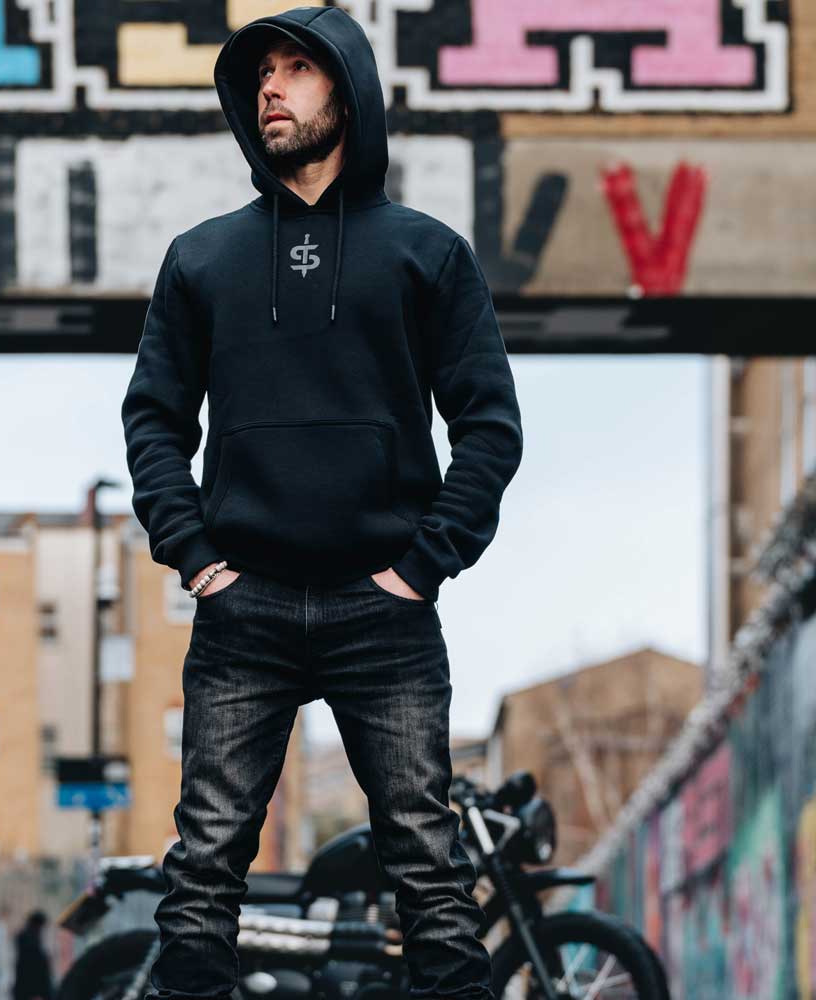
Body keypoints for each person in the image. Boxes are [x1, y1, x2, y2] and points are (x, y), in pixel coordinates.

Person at [120, 7, 524, 1000]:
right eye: (261, 73)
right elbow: (152, 419)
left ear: (345, 91)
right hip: (242, 607)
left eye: (297, 69)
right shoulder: (202, 259)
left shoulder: (425, 254)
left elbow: (490, 426)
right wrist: (194, 554)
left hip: (379, 609)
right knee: (203, 872)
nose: (271, 88)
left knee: (429, 876)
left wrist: (421, 565)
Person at [11, 909, 53, 1000]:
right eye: (41, 927)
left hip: (24, 987)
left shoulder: (26, 939)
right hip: (27, 987)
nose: (41, 930)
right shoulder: (28, 941)